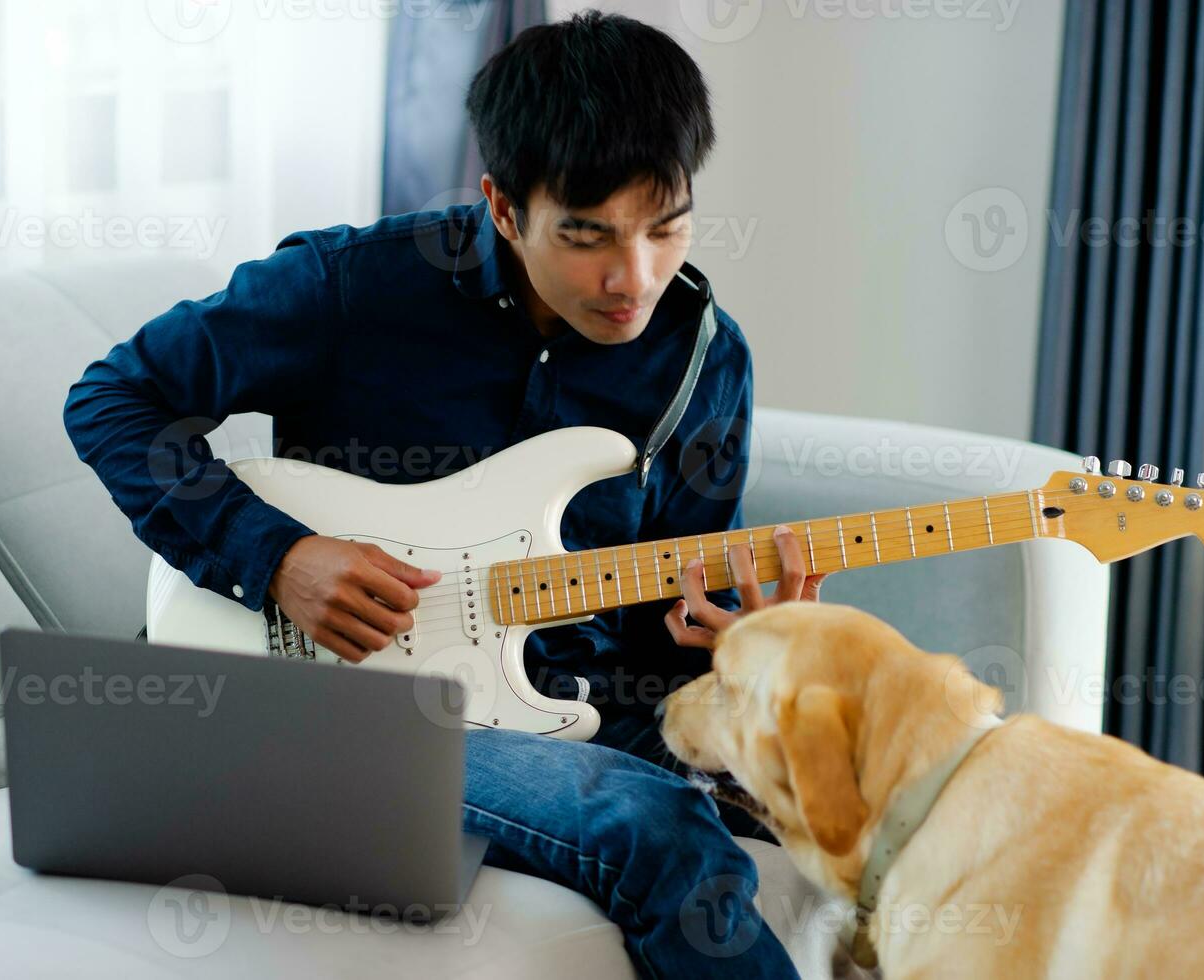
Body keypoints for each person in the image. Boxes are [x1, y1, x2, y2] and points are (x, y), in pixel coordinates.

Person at [65, 11, 827, 977]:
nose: (631, 278)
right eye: (587, 235)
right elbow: (113, 399)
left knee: (882, 776)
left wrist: (735, 647)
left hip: (568, 703)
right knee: (650, 822)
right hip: (347, 706)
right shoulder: (350, 290)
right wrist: (279, 559)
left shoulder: (702, 361)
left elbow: (657, 631)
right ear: (503, 207)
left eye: (664, 228)